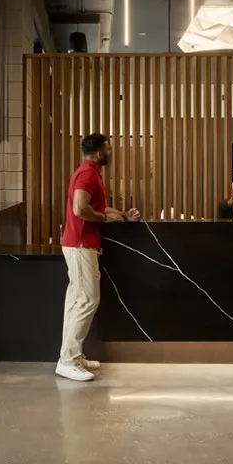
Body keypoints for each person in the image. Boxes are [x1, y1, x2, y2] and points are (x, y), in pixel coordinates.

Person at [57, 133, 140, 382]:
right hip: (81, 245)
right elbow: (80, 208)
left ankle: (72, 355)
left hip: (78, 245)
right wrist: (103, 218)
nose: (110, 153)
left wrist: (123, 215)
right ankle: (67, 361)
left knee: (76, 302)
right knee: (87, 301)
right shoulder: (87, 174)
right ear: (99, 152)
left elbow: (98, 207)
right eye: (108, 149)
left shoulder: (90, 173)